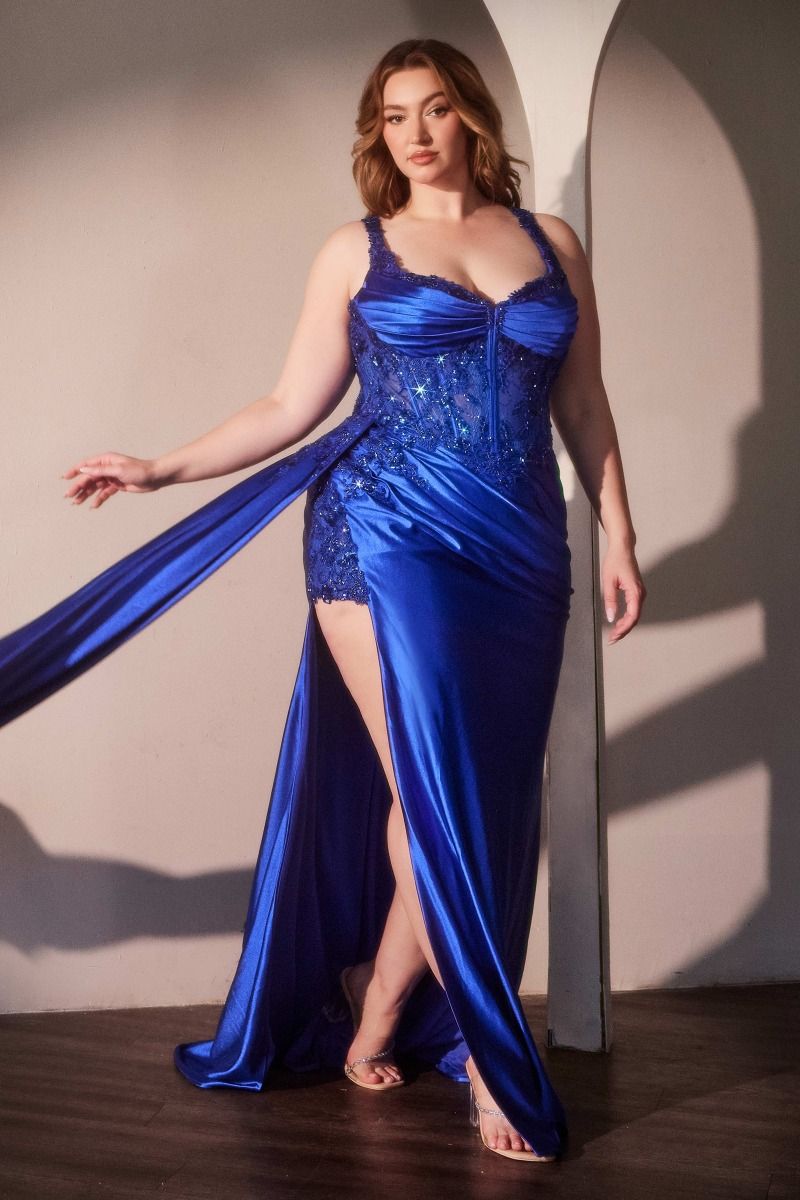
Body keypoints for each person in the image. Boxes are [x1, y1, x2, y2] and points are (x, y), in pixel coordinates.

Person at [0, 38, 645, 1163]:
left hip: (522, 549)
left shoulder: (553, 242)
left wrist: (620, 534)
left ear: (470, 115)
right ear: (376, 134)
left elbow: (583, 404)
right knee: (435, 793)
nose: (415, 133)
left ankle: (373, 1000)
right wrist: (160, 467)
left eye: (433, 108)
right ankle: (483, 1052)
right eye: (393, 116)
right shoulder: (358, 250)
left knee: (489, 802)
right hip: (381, 532)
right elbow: (288, 404)